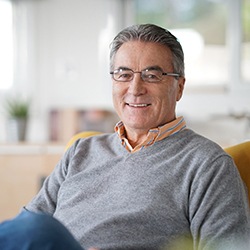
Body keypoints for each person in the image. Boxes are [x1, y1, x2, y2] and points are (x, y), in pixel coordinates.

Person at [0, 24, 249, 250]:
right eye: (124, 74)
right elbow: (21, 230)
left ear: (179, 87)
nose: (135, 88)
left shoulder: (207, 164)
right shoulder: (81, 150)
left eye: (152, 75)